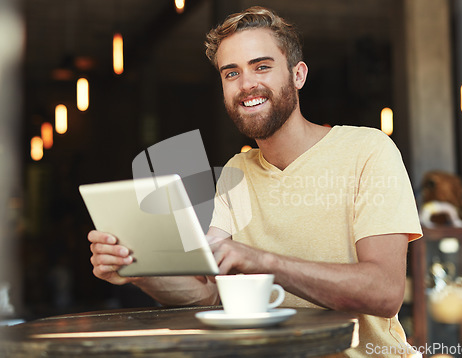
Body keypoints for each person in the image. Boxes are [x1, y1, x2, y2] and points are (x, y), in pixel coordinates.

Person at [88, 6, 422, 357]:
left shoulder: (368, 150)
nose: (247, 84)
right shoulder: (237, 171)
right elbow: (208, 293)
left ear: (298, 75)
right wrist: (136, 266)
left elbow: (384, 292)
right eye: (231, 73)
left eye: (261, 66)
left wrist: (262, 262)